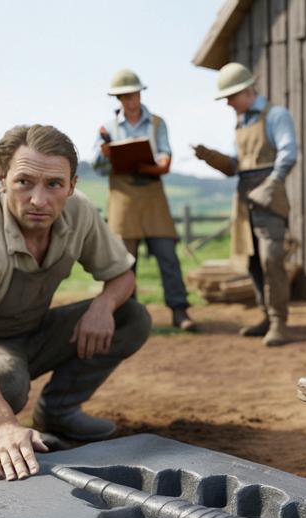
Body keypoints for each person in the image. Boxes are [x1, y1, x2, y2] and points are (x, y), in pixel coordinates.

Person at [0, 124, 151, 481]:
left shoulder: (80, 212)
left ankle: (58, 410)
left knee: (131, 316)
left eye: (54, 184)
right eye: (24, 182)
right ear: (1, 177)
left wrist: (102, 306)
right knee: (6, 382)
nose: (39, 200)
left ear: (72, 185)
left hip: (32, 331)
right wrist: (3, 425)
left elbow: (123, 275)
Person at [192, 62, 298, 347]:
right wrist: (210, 157)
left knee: (271, 259)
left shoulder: (275, 115)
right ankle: (265, 316)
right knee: (252, 262)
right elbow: (234, 166)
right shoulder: (241, 122)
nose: (227, 103)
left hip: (269, 198)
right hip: (243, 198)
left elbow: (288, 153)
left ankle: (279, 322)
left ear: (246, 90)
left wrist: (273, 184)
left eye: (229, 97)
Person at [93, 68, 197, 332]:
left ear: (140, 94)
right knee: (124, 261)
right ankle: (131, 315)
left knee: (167, 255)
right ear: (118, 99)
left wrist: (161, 163)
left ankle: (179, 310)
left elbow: (164, 153)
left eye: (133, 95)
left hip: (152, 195)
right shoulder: (107, 127)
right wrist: (106, 153)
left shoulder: (157, 123)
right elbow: (97, 165)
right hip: (123, 197)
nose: (130, 101)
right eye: (124, 97)